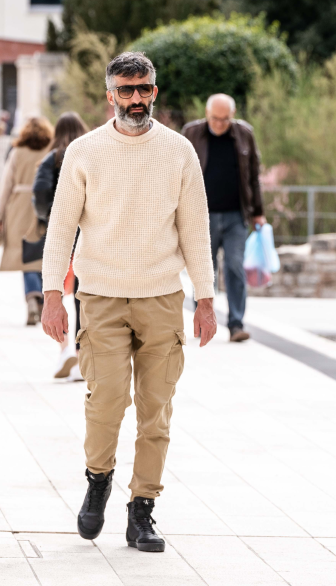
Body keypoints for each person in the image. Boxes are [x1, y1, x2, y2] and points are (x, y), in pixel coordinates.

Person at [41, 52, 216, 553]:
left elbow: (195, 230)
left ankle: (142, 510)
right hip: (100, 295)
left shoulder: (179, 151)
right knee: (107, 400)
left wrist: (206, 299)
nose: (135, 99)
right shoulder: (84, 151)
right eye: (126, 89)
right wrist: (53, 294)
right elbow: (60, 227)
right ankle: (98, 480)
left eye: (143, 89)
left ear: (154, 92)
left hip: (162, 295)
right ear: (109, 94)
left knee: (156, 409)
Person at [182, 94, 267, 342]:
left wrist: (258, 212)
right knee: (203, 272)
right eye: (216, 119)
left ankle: (236, 324)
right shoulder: (192, 133)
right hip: (201, 217)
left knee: (234, 267)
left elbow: (253, 175)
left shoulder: (244, 134)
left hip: (235, 216)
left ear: (233, 115)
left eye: (225, 119)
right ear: (207, 115)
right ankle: (201, 323)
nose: (220, 124)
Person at [32, 112, 88, 380]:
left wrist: (49, 218)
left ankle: (64, 349)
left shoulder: (52, 158)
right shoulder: (90, 153)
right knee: (81, 293)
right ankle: (79, 355)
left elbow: (40, 194)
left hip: (61, 232)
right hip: (87, 233)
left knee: (57, 290)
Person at [0, 117, 53, 325]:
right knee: (42, 255)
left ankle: (32, 297)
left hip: (19, 206)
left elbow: (6, 184)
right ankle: (39, 299)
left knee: (25, 255)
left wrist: (0, 214)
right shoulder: (50, 149)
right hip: (44, 204)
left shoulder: (17, 152)